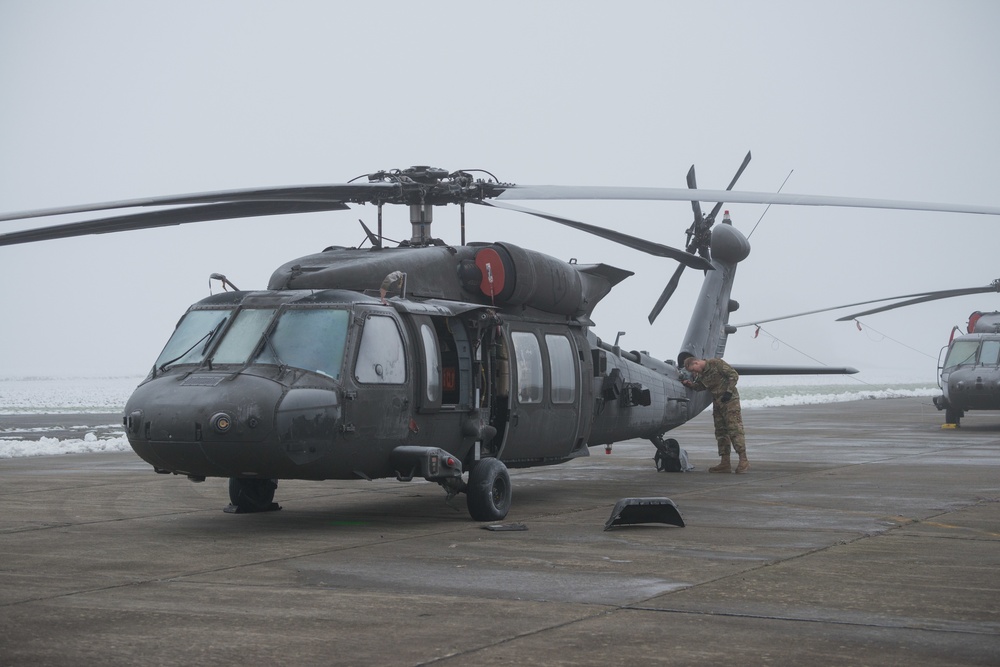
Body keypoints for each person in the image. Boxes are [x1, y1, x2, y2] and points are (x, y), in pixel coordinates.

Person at [682, 356, 749, 473]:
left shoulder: (716, 363)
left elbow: (733, 375)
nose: (694, 372)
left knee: (735, 429)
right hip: (718, 403)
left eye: (693, 369)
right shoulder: (702, 374)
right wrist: (690, 385)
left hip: (730, 402)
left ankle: (743, 460)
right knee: (721, 432)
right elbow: (701, 387)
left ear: (697, 362)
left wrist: (728, 392)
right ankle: (725, 463)